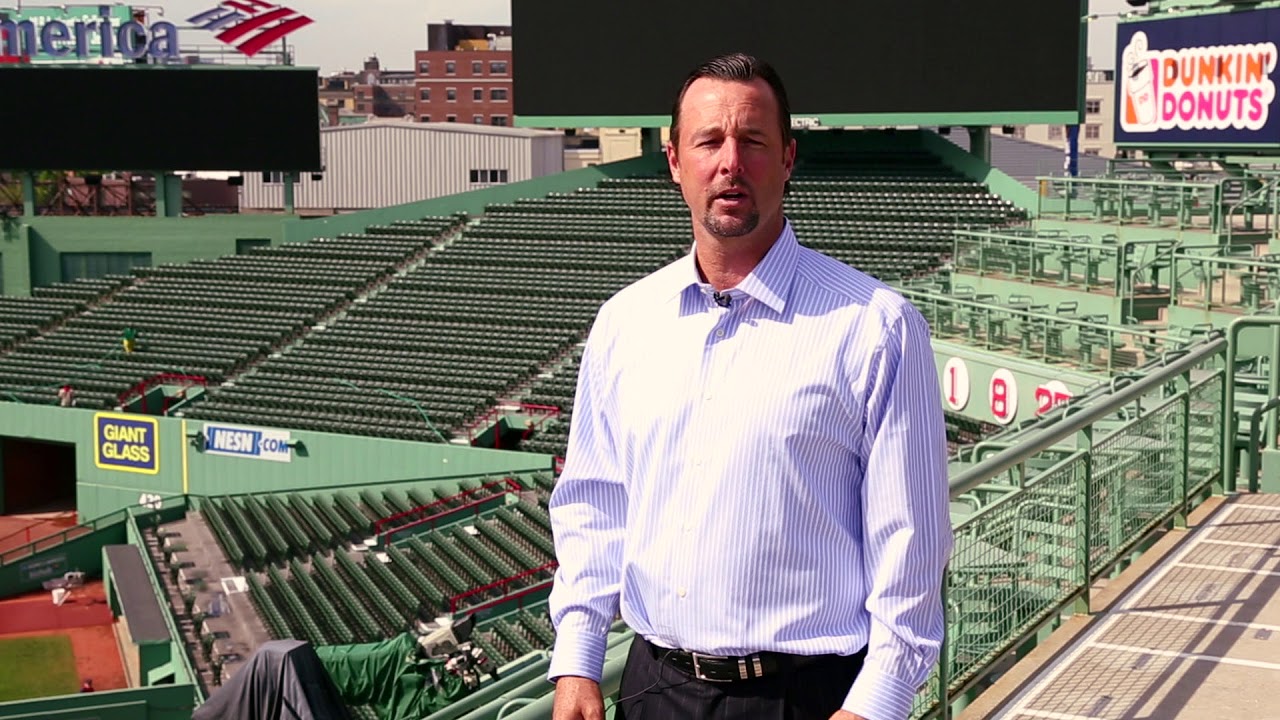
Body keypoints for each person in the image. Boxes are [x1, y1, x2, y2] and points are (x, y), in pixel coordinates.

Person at [546, 53, 953, 720]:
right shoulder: (624, 322)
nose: (730, 161)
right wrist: (578, 659)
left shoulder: (875, 327)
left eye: (753, 141)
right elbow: (595, 504)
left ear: (788, 158)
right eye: (709, 141)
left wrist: (877, 703)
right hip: (653, 688)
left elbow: (911, 542)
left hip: (808, 697)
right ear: (675, 160)